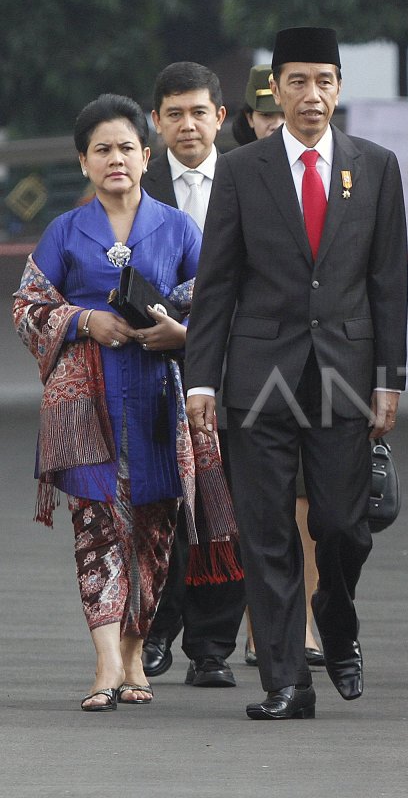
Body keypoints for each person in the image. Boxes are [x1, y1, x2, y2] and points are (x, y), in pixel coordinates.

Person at [184, 26, 408, 720]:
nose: (313, 96)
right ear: (275, 89)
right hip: (258, 379)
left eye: (326, 82)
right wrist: (202, 379)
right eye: (300, 82)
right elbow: (217, 283)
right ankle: (286, 680)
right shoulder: (243, 171)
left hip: (343, 374)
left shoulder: (375, 166)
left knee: (343, 526)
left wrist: (388, 379)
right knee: (267, 531)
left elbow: (386, 281)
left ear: (340, 88)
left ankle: (335, 622)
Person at [12, 93, 237, 711]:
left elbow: (214, 305)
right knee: (96, 529)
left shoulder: (181, 227)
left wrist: (179, 334)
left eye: (127, 148)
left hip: (160, 403)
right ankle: (106, 660)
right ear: (83, 161)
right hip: (86, 406)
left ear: (147, 155)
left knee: (152, 533)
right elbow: (28, 308)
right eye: (102, 149)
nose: (116, 159)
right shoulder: (64, 230)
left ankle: (136, 653)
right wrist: (85, 321)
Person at [138, 61, 247, 691]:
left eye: (198, 112)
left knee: (226, 506)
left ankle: (212, 648)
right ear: (156, 121)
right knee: (163, 509)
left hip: (235, 372)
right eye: (173, 114)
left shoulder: (249, 178)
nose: (186, 125)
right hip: (153, 372)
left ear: (220, 118)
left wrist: (203, 339)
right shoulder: (136, 183)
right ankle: (155, 632)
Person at [225, 63, 326, 672]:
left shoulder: (339, 170)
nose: (274, 121)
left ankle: (308, 614)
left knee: (315, 508)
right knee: (260, 508)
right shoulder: (235, 177)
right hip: (249, 368)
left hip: (319, 368)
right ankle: (261, 624)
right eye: (263, 114)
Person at [232, 64, 285, 146]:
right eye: (266, 115)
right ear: (250, 118)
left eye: (286, 115)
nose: (277, 125)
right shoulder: (233, 159)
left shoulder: (308, 157)